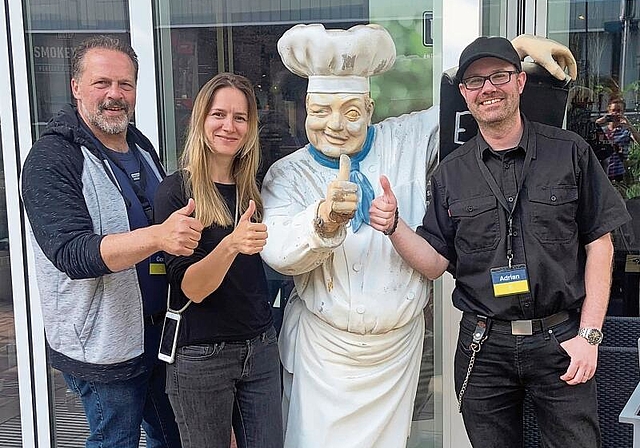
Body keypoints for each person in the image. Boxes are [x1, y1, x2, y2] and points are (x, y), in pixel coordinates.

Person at [261, 23, 578, 448]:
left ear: (370, 109)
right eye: (321, 112)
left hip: (395, 352)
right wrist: (323, 221)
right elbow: (279, 252)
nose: (335, 124)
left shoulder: (404, 139)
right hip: (326, 353)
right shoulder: (288, 174)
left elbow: (464, 96)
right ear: (304, 109)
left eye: (351, 111)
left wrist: (514, 51)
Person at [370, 36, 631, 447]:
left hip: (561, 340)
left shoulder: (570, 153)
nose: (488, 88)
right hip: (483, 345)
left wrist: (590, 336)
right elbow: (436, 261)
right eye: (475, 81)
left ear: (520, 82)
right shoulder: (450, 173)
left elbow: (601, 244)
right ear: (464, 94)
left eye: (499, 76)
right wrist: (394, 227)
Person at [21, 36, 200, 447]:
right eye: (102, 83)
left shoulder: (138, 144)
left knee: (170, 437)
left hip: (158, 334)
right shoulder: (51, 159)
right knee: (115, 440)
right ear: (76, 86)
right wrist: (159, 235)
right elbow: (71, 253)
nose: (115, 95)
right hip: (103, 346)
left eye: (125, 85)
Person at [153, 73, 283, 448]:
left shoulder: (253, 187)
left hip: (259, 347)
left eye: (240, 117)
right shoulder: (177, 191)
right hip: (200, 356)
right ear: (201, 120)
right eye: (219, 115)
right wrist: (231, 244)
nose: (229, 126)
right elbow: (191, 287)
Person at [595, 97, 640, 181]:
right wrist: (598, 122)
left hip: (618, 174)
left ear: (623, 112)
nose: (615, 113)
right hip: (602, 173)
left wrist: (629, 125)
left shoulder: (625, 131)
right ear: (609, 111)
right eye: (613, 110)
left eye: (618, 111)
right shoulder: (602, 130)